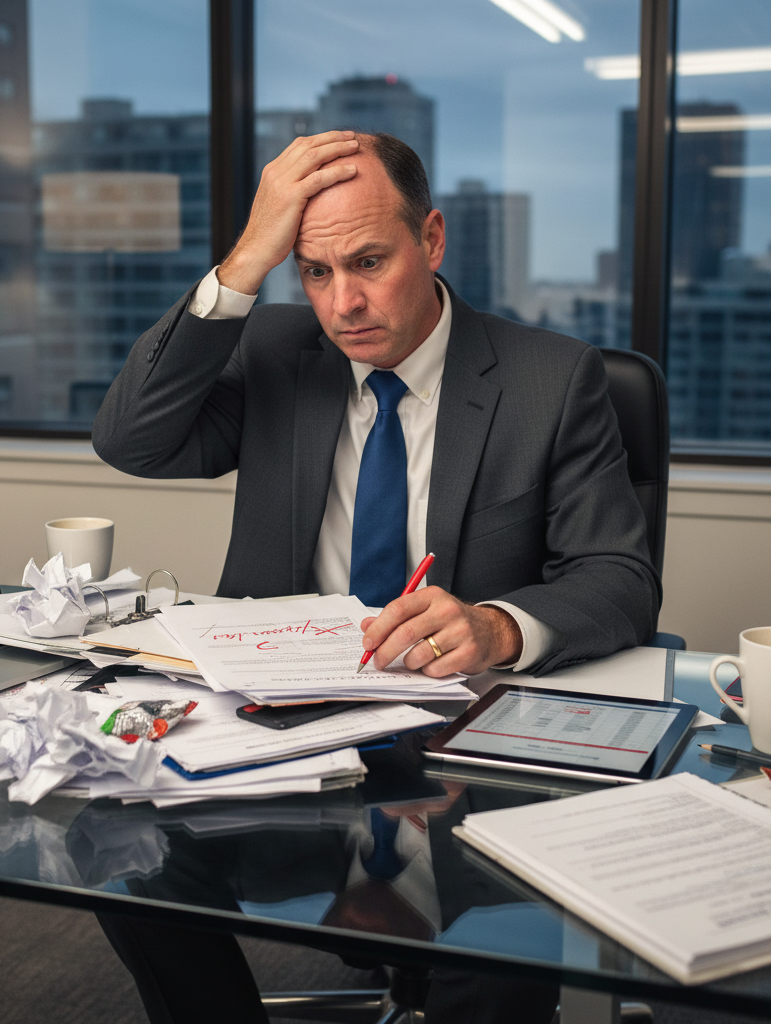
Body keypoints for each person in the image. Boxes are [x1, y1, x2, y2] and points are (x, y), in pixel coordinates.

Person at [90, 130, 660, 1023]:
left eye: (367, 261)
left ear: (430, 240)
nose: (344, 303)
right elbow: (133, 440)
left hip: (460, 744)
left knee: (500, 948)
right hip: (276, 729)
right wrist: (247, 258)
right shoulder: (277, 351)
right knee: (118, 853)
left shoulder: (552, 378)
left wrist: (498, 624)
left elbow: (619, 576)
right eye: (313, 271)